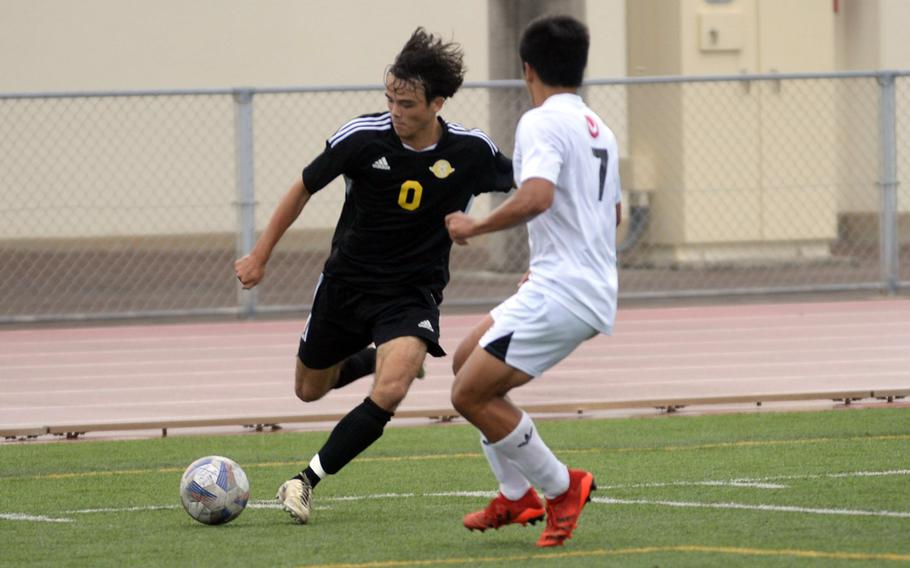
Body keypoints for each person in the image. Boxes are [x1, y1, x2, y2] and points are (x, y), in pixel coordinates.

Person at [234, 28, 513, 524]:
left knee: (392, 390)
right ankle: (374, 358)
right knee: (308, 390)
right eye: (390, 98)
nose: (395, 111)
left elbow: (534, 187)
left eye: (406, 103)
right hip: (346, 285)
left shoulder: (472, 152)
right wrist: (259, 255)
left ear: (437, 103)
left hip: (411, 293)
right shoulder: (362, 138)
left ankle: (304, 480)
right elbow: (303, 186)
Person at [444, 15, 622, 548]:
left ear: (528, 69)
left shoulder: (539, 122)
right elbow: (608, 216)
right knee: (464, 360)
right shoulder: (600, 129)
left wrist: (477, 222)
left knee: (469, 393)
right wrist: (553, 255)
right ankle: (515, 494)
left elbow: (539, 195)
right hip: (566, 280)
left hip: (565, 289)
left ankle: (562, 487)